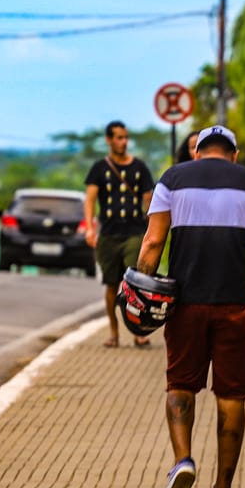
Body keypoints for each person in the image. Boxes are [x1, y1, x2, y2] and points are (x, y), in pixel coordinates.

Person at [136, 125, 245, 488]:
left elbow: (152, 241)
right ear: (234, 154)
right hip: (236, 306)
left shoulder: (173, 178)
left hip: (185, 304)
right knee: (232, 395)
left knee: (180, 384)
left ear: (197, 152)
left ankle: (183, 460)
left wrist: (138, 292)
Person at [84, 121, 155, 348]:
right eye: (118, 137)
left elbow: (149, 198)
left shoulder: (139, 167)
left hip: (134, 232)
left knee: (134, 282)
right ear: (109, 140)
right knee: (111, 285)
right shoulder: (99, 168)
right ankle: (114, 332)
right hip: (108, 235)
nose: (123, 142)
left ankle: (137, 331)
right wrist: (89, 227)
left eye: (125, 137)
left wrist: (153, 224)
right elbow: (90, 199)